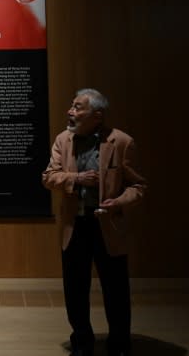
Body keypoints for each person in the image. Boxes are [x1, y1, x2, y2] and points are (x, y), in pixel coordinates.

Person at [42, 89, 147, 356]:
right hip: (74, 226)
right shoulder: (63, 141)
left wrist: (120, 202)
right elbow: (49, 176)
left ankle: (120, 343)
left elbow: (138, 186)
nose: (70, 112)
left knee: (116, 289)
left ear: (97, 115)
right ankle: (81, 341)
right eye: (71, 106)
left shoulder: (122, 142)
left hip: (108, 226)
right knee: (75, 288)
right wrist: (76, 179)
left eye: (78, 108)